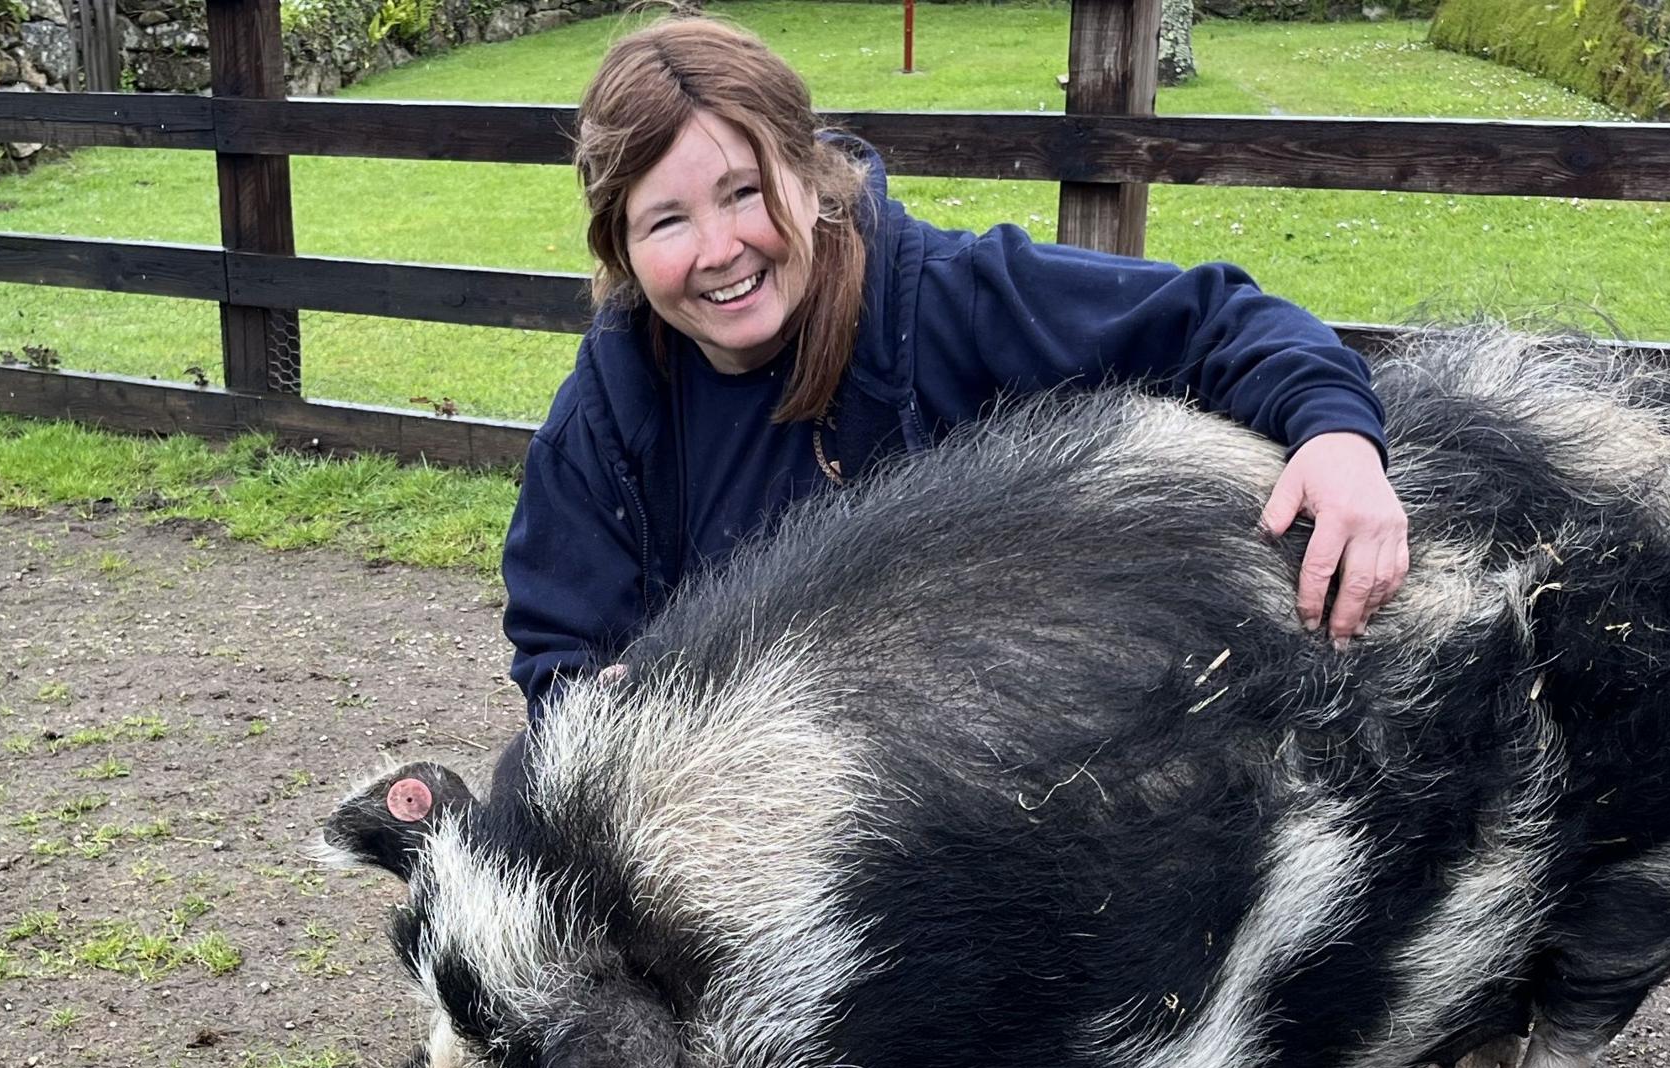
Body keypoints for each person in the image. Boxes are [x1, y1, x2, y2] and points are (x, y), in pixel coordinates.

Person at [502, 14, 1409, 721]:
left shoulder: (948, 299)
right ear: (618, 246)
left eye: (745, 192)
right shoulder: (611, 410)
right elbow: (561, 652)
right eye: (665, 221)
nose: (719, 248)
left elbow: (1212, 320)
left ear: (810, 179)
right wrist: (593, 708)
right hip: (738, 824)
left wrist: (1335, 434)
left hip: (986, 783)